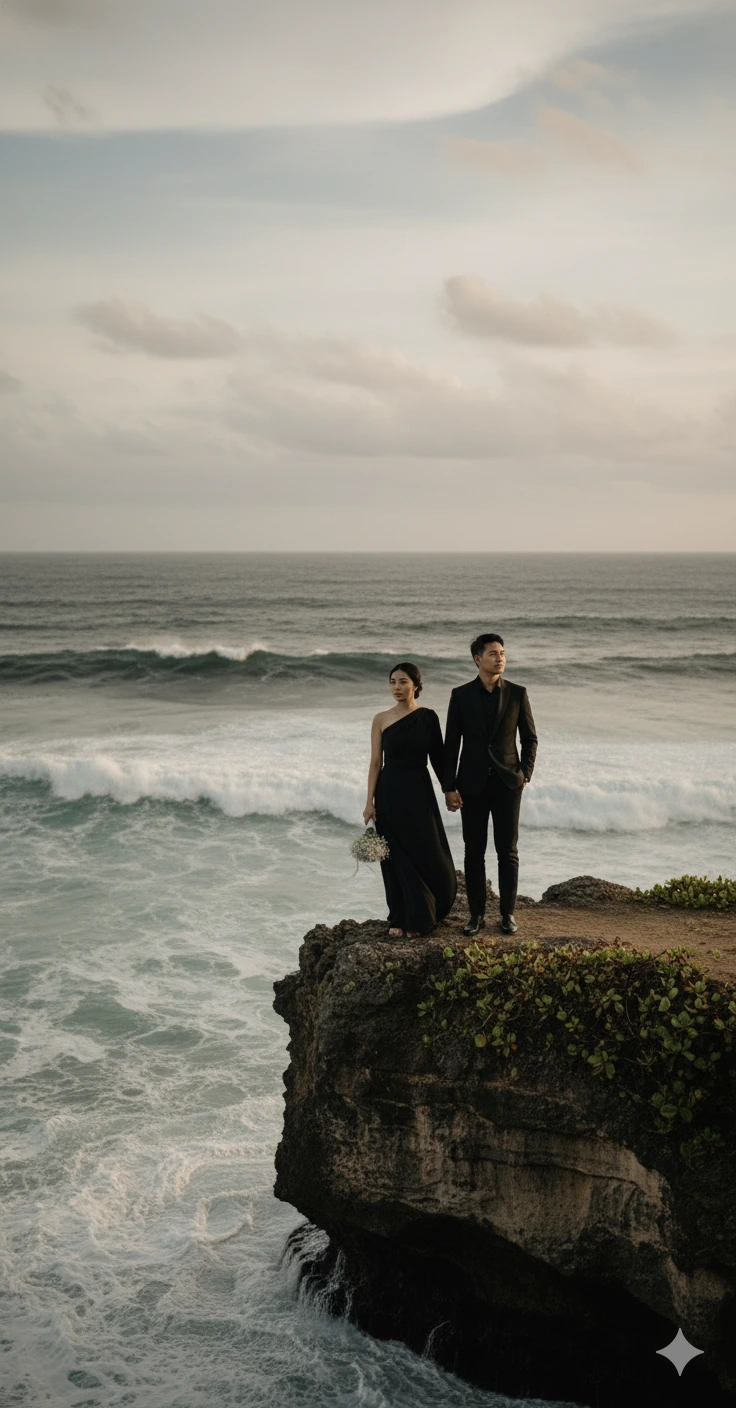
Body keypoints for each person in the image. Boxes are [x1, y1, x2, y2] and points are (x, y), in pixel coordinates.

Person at [443, 633, 537, 937]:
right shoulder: (460, 695)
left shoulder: (518, 693)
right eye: (493, 653)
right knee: (474, 852)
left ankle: (507, 914)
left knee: (507, 851)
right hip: (471, 784)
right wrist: (449, 786)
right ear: (477, 659)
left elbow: (530, 738)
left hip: (508, 784)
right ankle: (477, 915)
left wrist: (525, 773)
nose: (500, 658)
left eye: (503, 653)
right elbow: (450, 745)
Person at [363, 662, 457, 937]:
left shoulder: (428, 717)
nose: (397, 687)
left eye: (403, 682)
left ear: (416, 685)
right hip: (389, 790)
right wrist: (369, 801)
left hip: (419, 790)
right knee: (395, 857)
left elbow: (438, 759)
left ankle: (424, 915)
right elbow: (375, 762)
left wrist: (449, 790)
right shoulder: (380, 719)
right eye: (393, 682)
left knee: (425, 850)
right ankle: (401, 919)